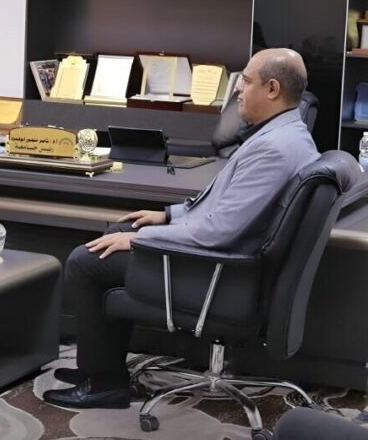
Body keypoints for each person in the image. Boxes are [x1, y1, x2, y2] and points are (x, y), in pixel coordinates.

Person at [42, 48, 320, 409]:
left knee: (86, 261)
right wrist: (168, 216)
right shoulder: (287, 134)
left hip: (217, 274)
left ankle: (104, 383)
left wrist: (140, 239)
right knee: (115, 233)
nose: (237, 90)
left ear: (272, 89)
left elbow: (217, 232)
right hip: (226, 261)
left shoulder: (274, 149)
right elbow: (223, 206)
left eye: (246, 81)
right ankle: (99, 369)